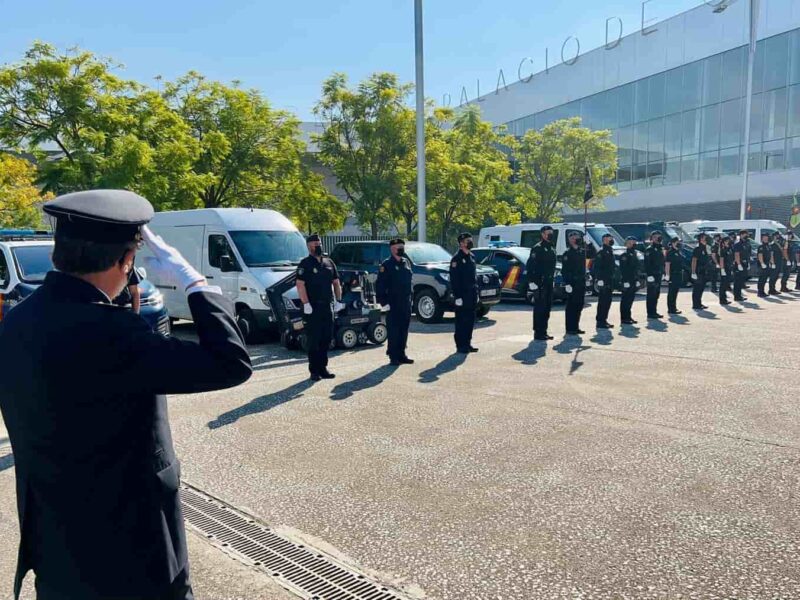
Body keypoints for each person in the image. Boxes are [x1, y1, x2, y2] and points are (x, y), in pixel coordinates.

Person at [0, 190, 252, 600]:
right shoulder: (114, 335)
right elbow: (231, 363)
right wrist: (195, 283)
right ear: (125, 261)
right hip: (130, 548)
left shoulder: (18, 320)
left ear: (56, 255)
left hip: (55, 540)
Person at [296, 234, 344, 381]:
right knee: (314, 340)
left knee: (326, 338)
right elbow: (300, 285)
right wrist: (306, 304)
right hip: (312, 307)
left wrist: (338, 300)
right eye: (315, 244)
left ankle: (323, 368)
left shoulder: (329, 262)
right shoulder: (305, 264)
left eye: (319, 243)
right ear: (309, 246)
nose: (318, 246)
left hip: (327, 307)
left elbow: (336, 282)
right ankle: (314, 371)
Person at [376, 238, 413, 366]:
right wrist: (383, 302)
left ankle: (402, 354)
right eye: (399, 247)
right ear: (392, 249)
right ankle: (393, 356)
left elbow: (409, 281)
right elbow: (380, 285)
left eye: (402, 247)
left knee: (404, 329)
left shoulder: (406, 262)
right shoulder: (386, 265)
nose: (401, 249)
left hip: (405, 302)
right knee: (394, 330)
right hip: (393, 302)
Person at [526, 226, 557, 341]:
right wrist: (531, 281)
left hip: (548, 282)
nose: (550, 235)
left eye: (551, 233)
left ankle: (544, 331)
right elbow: (530, 266)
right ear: (543, 234)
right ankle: (538, 332)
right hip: (539, 283)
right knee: (540, 308)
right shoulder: (537, 248)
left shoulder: (551, 248)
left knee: (547, 308)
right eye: (548, 233)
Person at [450, 232, 479, 353]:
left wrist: (476, 293)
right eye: (468, 241)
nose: (470, 242)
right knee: (461, 320)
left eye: (470, 240)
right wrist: (457, 296)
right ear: (461, 243)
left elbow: (474, 276)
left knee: (470, 319)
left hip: (471, 293)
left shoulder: (471, 256)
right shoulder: (456, 259)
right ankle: (460, 345)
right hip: (462, 294)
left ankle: (467, 343)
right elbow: (454, 279)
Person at [561, 231, 587, 334]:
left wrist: (588, 243)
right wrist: (567, 283)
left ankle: (576, 326)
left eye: (578, 237)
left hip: (581, 282)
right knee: (571, 306)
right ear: (570, 239)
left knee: (579, 305)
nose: (577, 239)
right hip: (572, 283)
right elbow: (565, 270)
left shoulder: (581, 251)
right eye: (575, 238)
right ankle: (570, 328)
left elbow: (593, 254)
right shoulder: (567, 253)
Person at [593, 232, 616, 329]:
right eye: (609, 238)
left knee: (608, 300)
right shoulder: (601, 251)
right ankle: (600, 321)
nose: (611, 240)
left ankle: (604, 319)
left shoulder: (610, 250)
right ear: (604, 240)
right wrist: (599, 279)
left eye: (611, 238)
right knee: (603, 301)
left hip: (609, 279)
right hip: (603, 279)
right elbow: (597, 267)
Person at [617, 236, 640, 324]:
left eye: (634, 243)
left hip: (633, 279)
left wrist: (637, 279)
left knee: (630, 299)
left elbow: (636, 268)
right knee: (625, 300)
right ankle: (624, 318)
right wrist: (625, 281)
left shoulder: (634, 254)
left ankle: (628, 316)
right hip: (627, 280)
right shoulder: (624, 255)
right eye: (630, 243)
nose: (632, 244)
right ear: (626, 244)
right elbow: (623, 269)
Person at [643, 231, 665, 319]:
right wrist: (649, 275)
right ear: (651, 238)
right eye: (655, 237)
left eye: (659, 237)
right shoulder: (650, 249)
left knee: (656, 294)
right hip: (652, 275)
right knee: (651, 294)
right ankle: (650, 313)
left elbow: (661, 262)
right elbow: (647, 263)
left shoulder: (660, 248)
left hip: (658, 274)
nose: (657, 238)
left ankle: (654, 311)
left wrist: (663, 272)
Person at [665, 236, 684, 314]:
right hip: (673, 274)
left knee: (675, 291)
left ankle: (674, 307)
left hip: (678, 274)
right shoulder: (670, 252)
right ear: (673, 243)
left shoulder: (678, 251)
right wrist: (667, 274)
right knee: (672, 292)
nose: (679, 243)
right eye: (677, 242)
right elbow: (667, 264)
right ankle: (671, 309)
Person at [691, 232, 710, 310]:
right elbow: (694, 260)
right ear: (699, 239)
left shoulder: (705, 248)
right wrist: (693, 272)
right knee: (697, 288)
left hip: (704, 270)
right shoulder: (697, 248)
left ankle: (699, 303)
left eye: (705, 238)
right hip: (698, 271)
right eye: (703, 238)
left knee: (701, 288)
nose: (704, 239)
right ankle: (696, 304)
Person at [732, 229, 750, 301]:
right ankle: (737, 296)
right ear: (741, 235)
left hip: (744, 263)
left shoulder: (746, 243)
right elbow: (736, 255)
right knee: (737, 281)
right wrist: (739, 264)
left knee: (741, 281)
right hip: (739, 264)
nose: (747, 236)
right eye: (745, 234)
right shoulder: (738, 244)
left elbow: (747, 254)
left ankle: (739, 295)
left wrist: (747, 262)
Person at [718, 236, 733, 305]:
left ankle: (724, 298)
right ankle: (722, 299)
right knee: (723, 285)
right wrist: (722, 269)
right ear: (723, 243)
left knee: (726, 284)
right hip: (724, 268)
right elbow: (721, 260)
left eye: (728, 241)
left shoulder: (729, 249)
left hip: (728, 268)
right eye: (726, 241)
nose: (728, 242)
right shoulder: (723, 250)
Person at [756, 232, 772, 297]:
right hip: (762, 265)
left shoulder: (768, 246)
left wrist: (771, 263)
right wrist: (762, 263)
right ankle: (760, 292)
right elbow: (760, 255)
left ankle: (762, 291)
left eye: (766, 238)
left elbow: (770, 255)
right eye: (764, 238)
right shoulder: (761, 247)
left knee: (765, 278)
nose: (766, 239)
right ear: (762, 239)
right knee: (761, 279)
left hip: (767, 264)